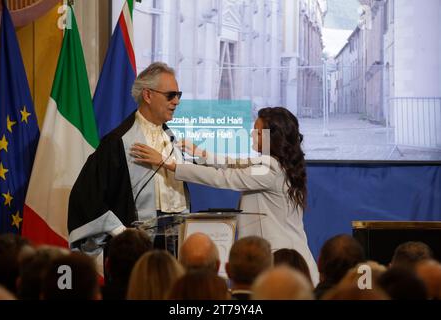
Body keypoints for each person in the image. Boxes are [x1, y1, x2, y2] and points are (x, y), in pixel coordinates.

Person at [132, 106, 319, 285]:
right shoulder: (274, 163)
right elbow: (234, 163)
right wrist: (198, 152)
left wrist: (170, 165)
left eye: (258, 132)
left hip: (280, 262)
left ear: (273, 138)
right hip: (286, 259)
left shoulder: (269, 167)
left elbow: (223, 177)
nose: (252, 135)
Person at [68, 62, 190, 255]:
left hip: (174, 238)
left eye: (178, 95)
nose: (176, 101)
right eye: (170, 95)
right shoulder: (117, 142)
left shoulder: (172, 140)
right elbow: (87, 194)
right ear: (148, 95)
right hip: (132, 246)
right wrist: (120, 231)